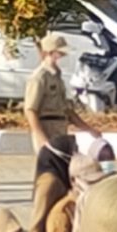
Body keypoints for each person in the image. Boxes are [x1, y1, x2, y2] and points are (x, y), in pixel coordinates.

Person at [25, 34, 83, 165]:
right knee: (49, 168)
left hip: (60, 126)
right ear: (49, 52)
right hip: (46, 125)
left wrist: (88, 129)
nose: (62, 56)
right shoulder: (39, 77)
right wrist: (39, 135)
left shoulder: (57, 76)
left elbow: (66, 109)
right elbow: (30, 109)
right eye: (59, 52)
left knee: (62, 168)